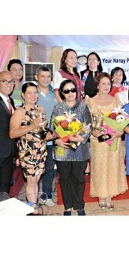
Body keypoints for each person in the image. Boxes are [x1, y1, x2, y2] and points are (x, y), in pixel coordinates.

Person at [86, 73, 128, 210]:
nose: (106, 86)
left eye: (108, 84)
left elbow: (121, 119)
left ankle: (109, 195)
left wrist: (119, 131)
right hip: (98, 141)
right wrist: (93, 131)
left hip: (114, 138)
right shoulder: (90, 101)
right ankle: (101, 195)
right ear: (97, 85)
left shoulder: (115, 99)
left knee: (112, 166)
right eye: (103, 83)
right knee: (99, 167)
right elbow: (87, 122)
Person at [50, 79, 92, 216]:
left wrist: (82, 138)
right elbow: (52, 128)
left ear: (77, 91)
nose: (70, 93)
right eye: (66, 91)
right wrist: (57, 140)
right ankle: (67, 206)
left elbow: (88, 126)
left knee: (79, 179)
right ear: (62, 93)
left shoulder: (83, 106)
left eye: (73, 90)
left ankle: (79, 205)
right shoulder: (58, 108)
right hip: (63, 150)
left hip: (80, 150)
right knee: (65, 179)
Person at [10, 82, 52, 215]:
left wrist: (48, 134)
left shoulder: (41, 109)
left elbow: (42, 129)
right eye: (30, 93)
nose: (33, 96)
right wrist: (32, 126)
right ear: (23, 95)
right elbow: (12, 133)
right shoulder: (19, 111)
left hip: (41, 149)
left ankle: (33, 203)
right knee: (31, 179)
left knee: (37, 178)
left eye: (35, 92)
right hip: (27, 150)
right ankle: (33, 208)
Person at [35, 66, 58, 207]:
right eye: (42, 76)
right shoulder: (32, 93)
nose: (45, 79)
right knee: (36, 170)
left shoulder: (55, 95)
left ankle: (47, 194)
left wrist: (54, 133)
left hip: (52, 138)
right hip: (35, 140)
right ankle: (34, 196)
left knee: (49, 168)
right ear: (37, 77)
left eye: (48, 76)